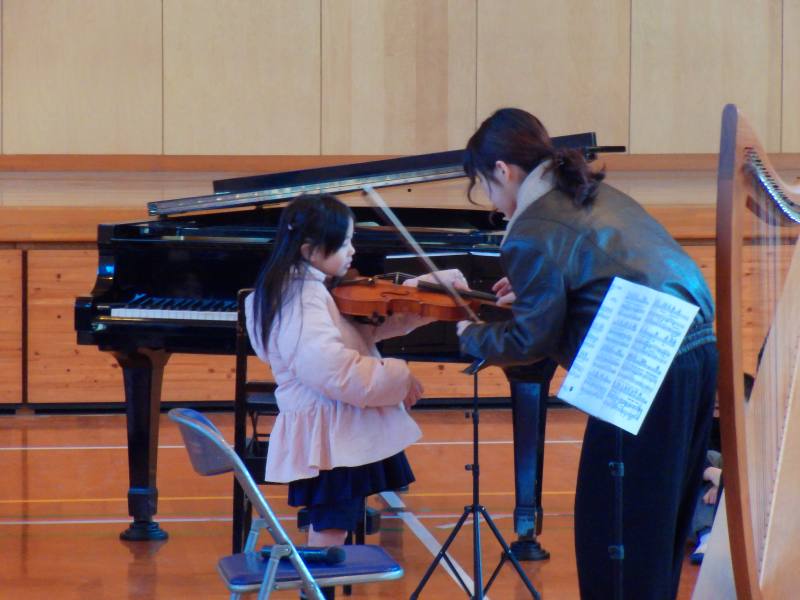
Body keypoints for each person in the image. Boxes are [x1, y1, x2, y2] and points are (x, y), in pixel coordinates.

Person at [455, 108, 718, 600]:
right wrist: (535, 292)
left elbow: (528, 341)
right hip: (698, 350)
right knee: (658, 525)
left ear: (503, 171)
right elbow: (597, 273)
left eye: (485, 186)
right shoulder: (590, 191)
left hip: (641, 364)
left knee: (613, 530)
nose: (492, 203)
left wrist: (468, 334)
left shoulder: (532, 226)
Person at [245, 193, 467, 554]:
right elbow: (333, 370)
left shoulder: (307, 287)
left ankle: (321, 578)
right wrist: (398, 378)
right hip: (332, 435)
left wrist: (424, 288)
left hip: (336, 427)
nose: (353, 251)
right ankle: (317, 582)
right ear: (309, 250)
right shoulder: (301, 299)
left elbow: (358, 330)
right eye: (344, 243)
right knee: (330, 532)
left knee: (332, 528)